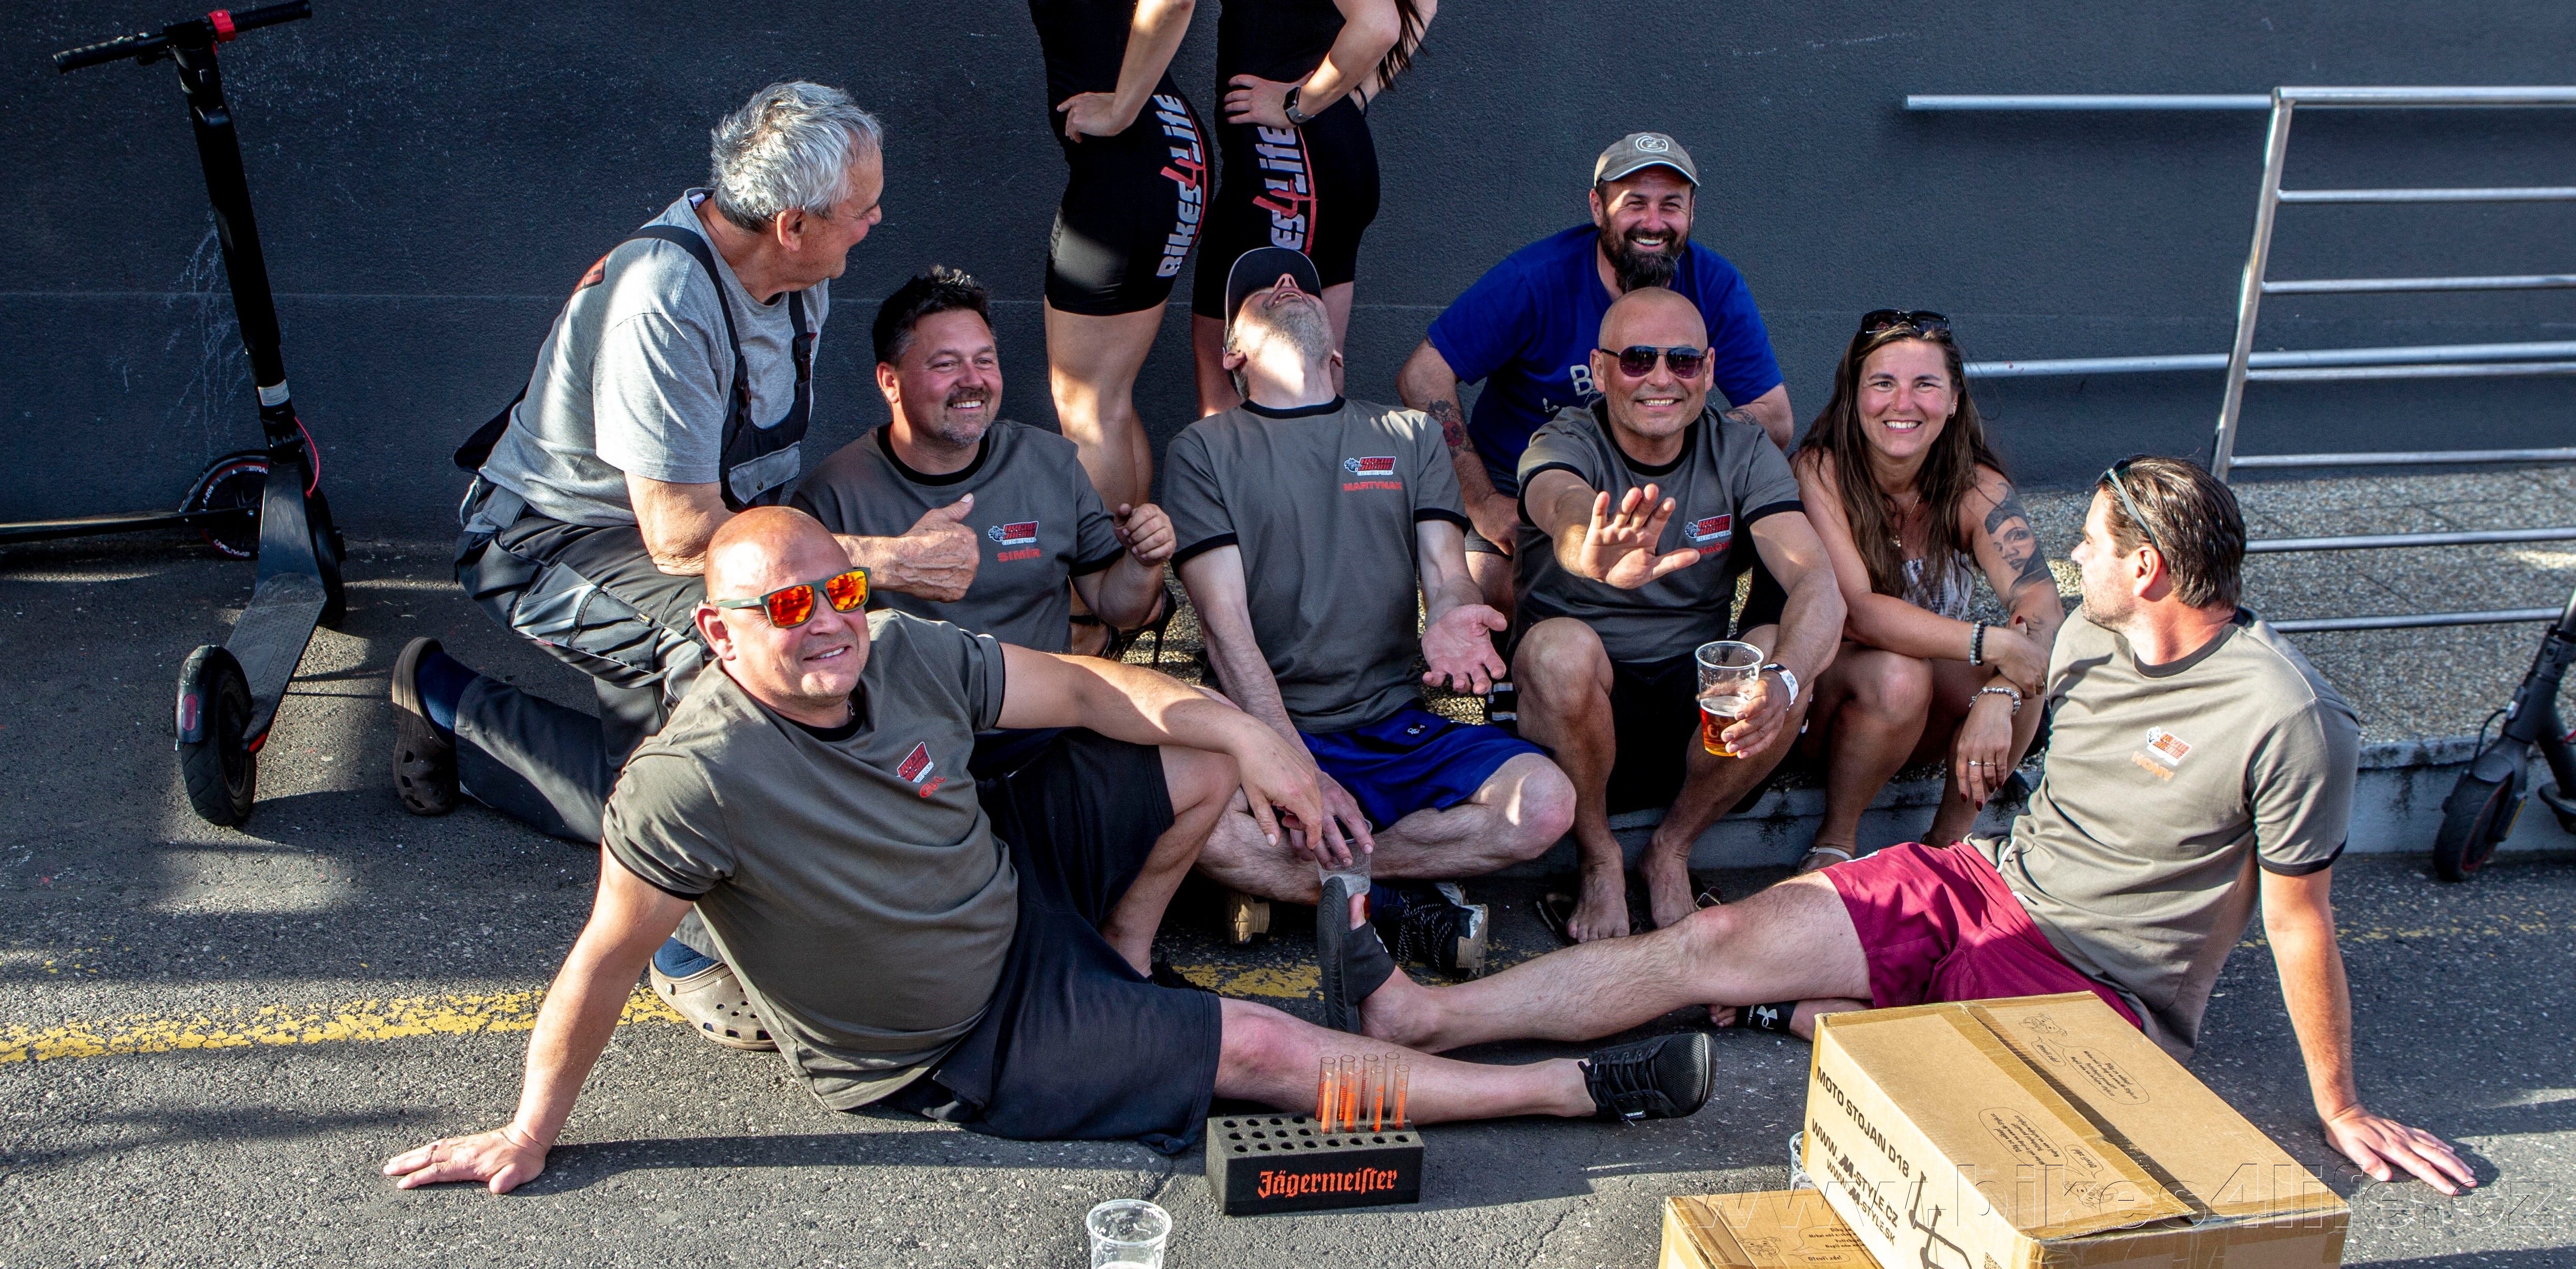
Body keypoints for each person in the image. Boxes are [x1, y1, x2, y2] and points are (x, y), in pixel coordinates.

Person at [380, 509, 1718, 1192]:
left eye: (837, 588)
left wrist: (1257, 743)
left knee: (1193, 754)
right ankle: (1564, 1089)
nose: (826, 621)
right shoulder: (695, 779)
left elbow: (1083, 685)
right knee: (1260, 1053)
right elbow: (605, 959)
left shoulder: (892, 648)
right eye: (785, 607)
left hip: (1015, 900)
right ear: (720, 635)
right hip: (959, 1038)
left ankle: (1126, 962)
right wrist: (530, 1130)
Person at [1347, 457, 2480, 1198]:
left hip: (2104, 987)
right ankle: (1433, 1018)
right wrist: (1998, 691)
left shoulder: (2288, 717)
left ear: (2147, 567)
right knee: (1711, 940)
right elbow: (2019, 656)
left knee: (1969, 1129)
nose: (2073, 561)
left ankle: (1832, 1016)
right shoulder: (2093, 635)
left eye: (2092, 545)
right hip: (1982, 890)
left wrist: (2338, 1102)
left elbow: (2299, 922)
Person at [389, 83, 978, 847]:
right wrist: (884, 561)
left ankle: (696, 792)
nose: (876, 223)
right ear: (793, 225)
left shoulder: (796, 276)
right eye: (862, 210)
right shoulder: (665, 303)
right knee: (733, 663)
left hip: (680, 524)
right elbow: (679, 538)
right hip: (553, 543)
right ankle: (449, 704)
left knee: (660, 782)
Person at [1168, 250, 1576, 988]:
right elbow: (1226, 634)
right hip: (1267, 726)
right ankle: (1392, 904)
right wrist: (1295, 768)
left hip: (1394, 723)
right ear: (1232, 354)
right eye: (1262, 292)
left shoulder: (1409, 435)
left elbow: (1447, 577)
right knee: (1186, 818)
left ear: (1336, 352)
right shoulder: (1204, 449)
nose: (1288, 284)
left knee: (1546, 806)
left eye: (1302, 284)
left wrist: (1452, 615)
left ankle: (1313, 879)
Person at [1510, 288, 1844, 943]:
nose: (1661, 378)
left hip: (1692, 700)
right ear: (1600, 370)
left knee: (1784, 649)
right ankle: (1599, 857)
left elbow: (1816, 578)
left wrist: (1784, 681)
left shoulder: (1741, 448)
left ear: (1709, 371)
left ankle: (1672, 847)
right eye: (1638, 359)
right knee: (1559, 650)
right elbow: (1559, 498)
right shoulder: (1565, 437)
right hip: (1578, 708)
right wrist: (1587, 546)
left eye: (1683, 361)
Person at [1400, 133, 1789, 618]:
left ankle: (1730, 642)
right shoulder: (1536, 278)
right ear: (1598, 207)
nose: (1653, 223)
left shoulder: (1716, 283)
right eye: (1635, 204)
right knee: (1493, 587)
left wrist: (1682, 444)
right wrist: (1481, 500)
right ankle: (1523, 665)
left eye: (1671, 205)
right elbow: (1423, 375)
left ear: (1693, 211)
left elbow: (1775, 416)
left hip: (1658, 483)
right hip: (1523, 478)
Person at [1188, 0, 1436, 415]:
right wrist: (1349, 98)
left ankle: (1245, 495)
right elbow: (1421, 0)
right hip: (1314, 167)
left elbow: (1382, 21)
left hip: (1287, 168)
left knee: (1234, 375)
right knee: (1309, 375)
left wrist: (1300, 103)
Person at [1009, 0, 1209, 516]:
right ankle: (1127, 580)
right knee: (1101, 400)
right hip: (1135, 165)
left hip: (1137, 158)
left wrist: (1121, 105)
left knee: (1087, 404)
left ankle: (1093, 586)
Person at [1784, 310, 2064, 875]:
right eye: (1883, 383)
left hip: (1926, 715)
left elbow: (2042, 603)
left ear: (1954, 400)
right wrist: (1992, 644)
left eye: (1925, 385)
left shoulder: (1976, 488)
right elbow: (1858, 614)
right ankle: (1836, 840)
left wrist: (2001, 691)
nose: (1903, 403)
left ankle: (1947, 849)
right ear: (1854, 395)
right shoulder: (1821, 471)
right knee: (1903, 675)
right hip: (1833, 705)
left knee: (2028, 672)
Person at [792, 266, 1174, 661]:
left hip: (1044, 695)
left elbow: (1119, 608)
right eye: (946, 364)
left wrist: (1143, 561)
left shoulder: (1050, 463)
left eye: (985, 361)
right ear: (890, 382)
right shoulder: (834, 494)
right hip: (908, 697)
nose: (973, 380)